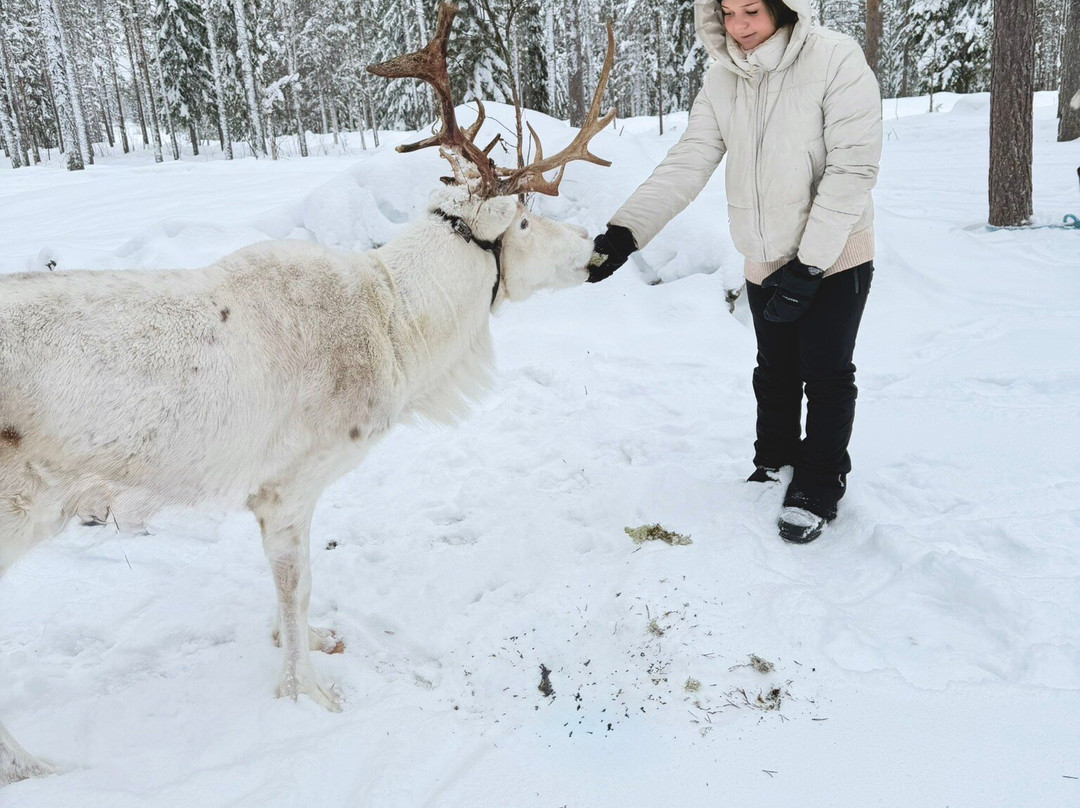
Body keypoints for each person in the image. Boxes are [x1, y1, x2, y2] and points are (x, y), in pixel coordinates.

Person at [588, 0, 882, 544]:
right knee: (774, 370)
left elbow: (853, 167)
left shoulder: (835, 58)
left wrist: (812, 263)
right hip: (763, 255)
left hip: (835, 255)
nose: (739, 26)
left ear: (785, 8)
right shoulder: (724, 77)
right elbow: (690, 158)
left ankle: (819, 481)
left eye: (752, 11)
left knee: (825, 371)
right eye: (727, 12)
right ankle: (772, 461)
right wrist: (627, 231)